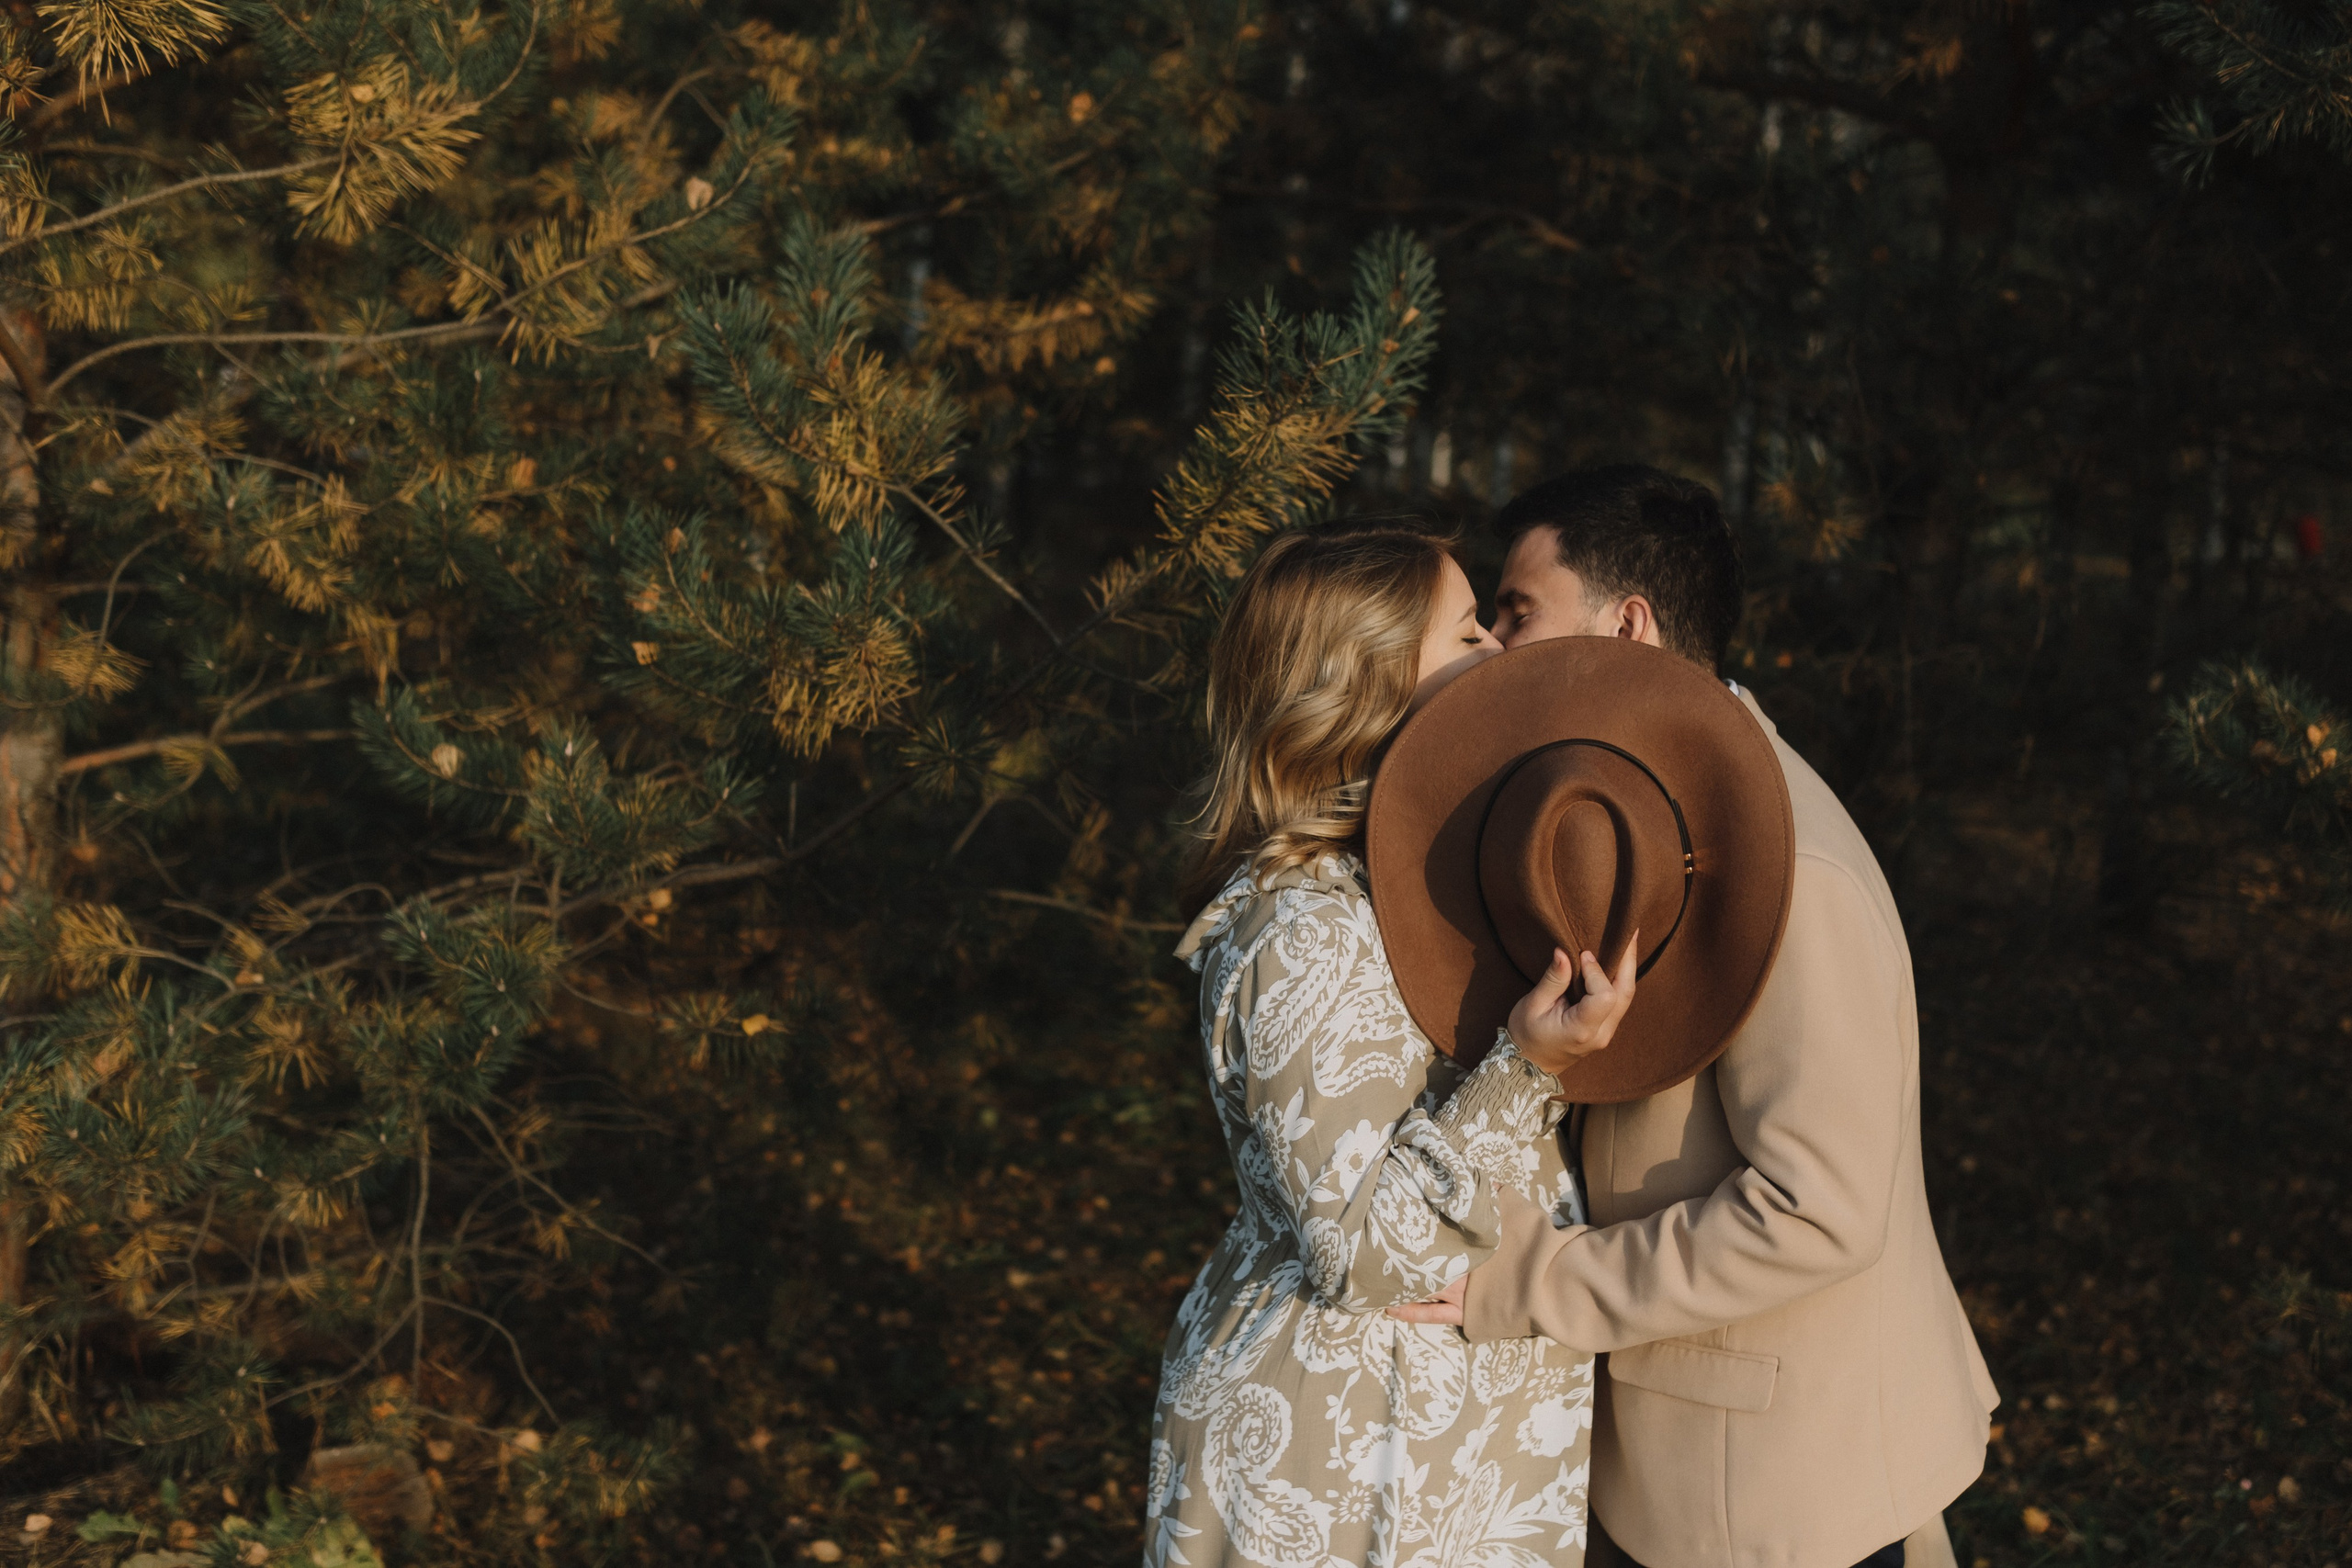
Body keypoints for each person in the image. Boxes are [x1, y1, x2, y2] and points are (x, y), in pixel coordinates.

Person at [1389, 467, 1997, 1568]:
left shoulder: (1791, 867)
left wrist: (1527, 1284)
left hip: (1768, 1499)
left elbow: (1820, 1209)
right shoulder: (1633, 820)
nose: (1491, 653)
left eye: (1515, 615)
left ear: (1627, 626)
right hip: (1666, 1470)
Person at [1145, 520, 1636, 1568]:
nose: (1502, 656)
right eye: (1468, 636)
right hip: (1350, 1453)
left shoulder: (1417, 886)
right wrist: (1529, 1067)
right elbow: (1361, 1255)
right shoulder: (1302, 928)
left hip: (1455, 1437)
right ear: (1368, 691)